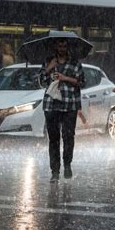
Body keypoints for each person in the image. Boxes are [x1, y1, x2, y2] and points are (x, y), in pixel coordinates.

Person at [40, 38, 85, 182]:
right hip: (51, 105)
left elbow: (82, 82)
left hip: (69, 105)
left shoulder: (74, 64)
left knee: (68, 137)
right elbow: (40, 82)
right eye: (59, 45)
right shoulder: (49, 62)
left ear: (67, 47)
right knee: (53, 139)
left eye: (64, 46)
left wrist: (65, 78)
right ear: (55, 47)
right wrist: (48, 69)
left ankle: (67, 164)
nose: (62, 48)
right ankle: (54, 171)